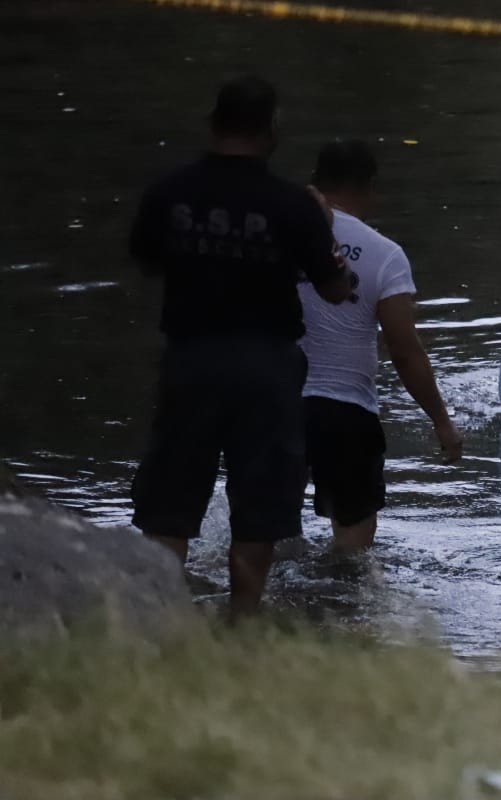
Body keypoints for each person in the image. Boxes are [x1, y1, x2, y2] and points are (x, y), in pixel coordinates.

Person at [128, 74, 353, 618]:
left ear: (213, 123)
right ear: (272, 129)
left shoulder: (170, 192)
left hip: (191, 359)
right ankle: (244, 617)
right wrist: (325, 234)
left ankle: (164, 615)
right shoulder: (292, 206)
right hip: (266, 366)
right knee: (261, 501)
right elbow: (334, 289)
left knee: (171, 498)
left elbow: (147, 260)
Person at [299, 139, 463, 552]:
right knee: (352, 549)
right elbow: (404, 352)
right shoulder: (385, 255)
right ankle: (343, 610)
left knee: (266, 531)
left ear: (315, 182)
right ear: (369, 188)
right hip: (346, 414)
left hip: (276, 403)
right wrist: (442, 422)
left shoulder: (278, 237)